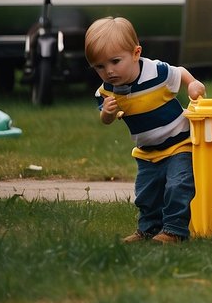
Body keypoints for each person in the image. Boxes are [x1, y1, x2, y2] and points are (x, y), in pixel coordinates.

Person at [85, 16, 205, 244]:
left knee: (178, 185)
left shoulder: (157, 72)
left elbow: (180, 73)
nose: (109, 71)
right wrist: (108, 112)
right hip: (147, 151)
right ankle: (148, 229)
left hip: (179, 143)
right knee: (146, 194)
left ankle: (174, 230)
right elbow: (106, 120)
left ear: (136, 53)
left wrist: (193, 84)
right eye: (99, 66)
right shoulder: (107, 91)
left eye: (115, 61)